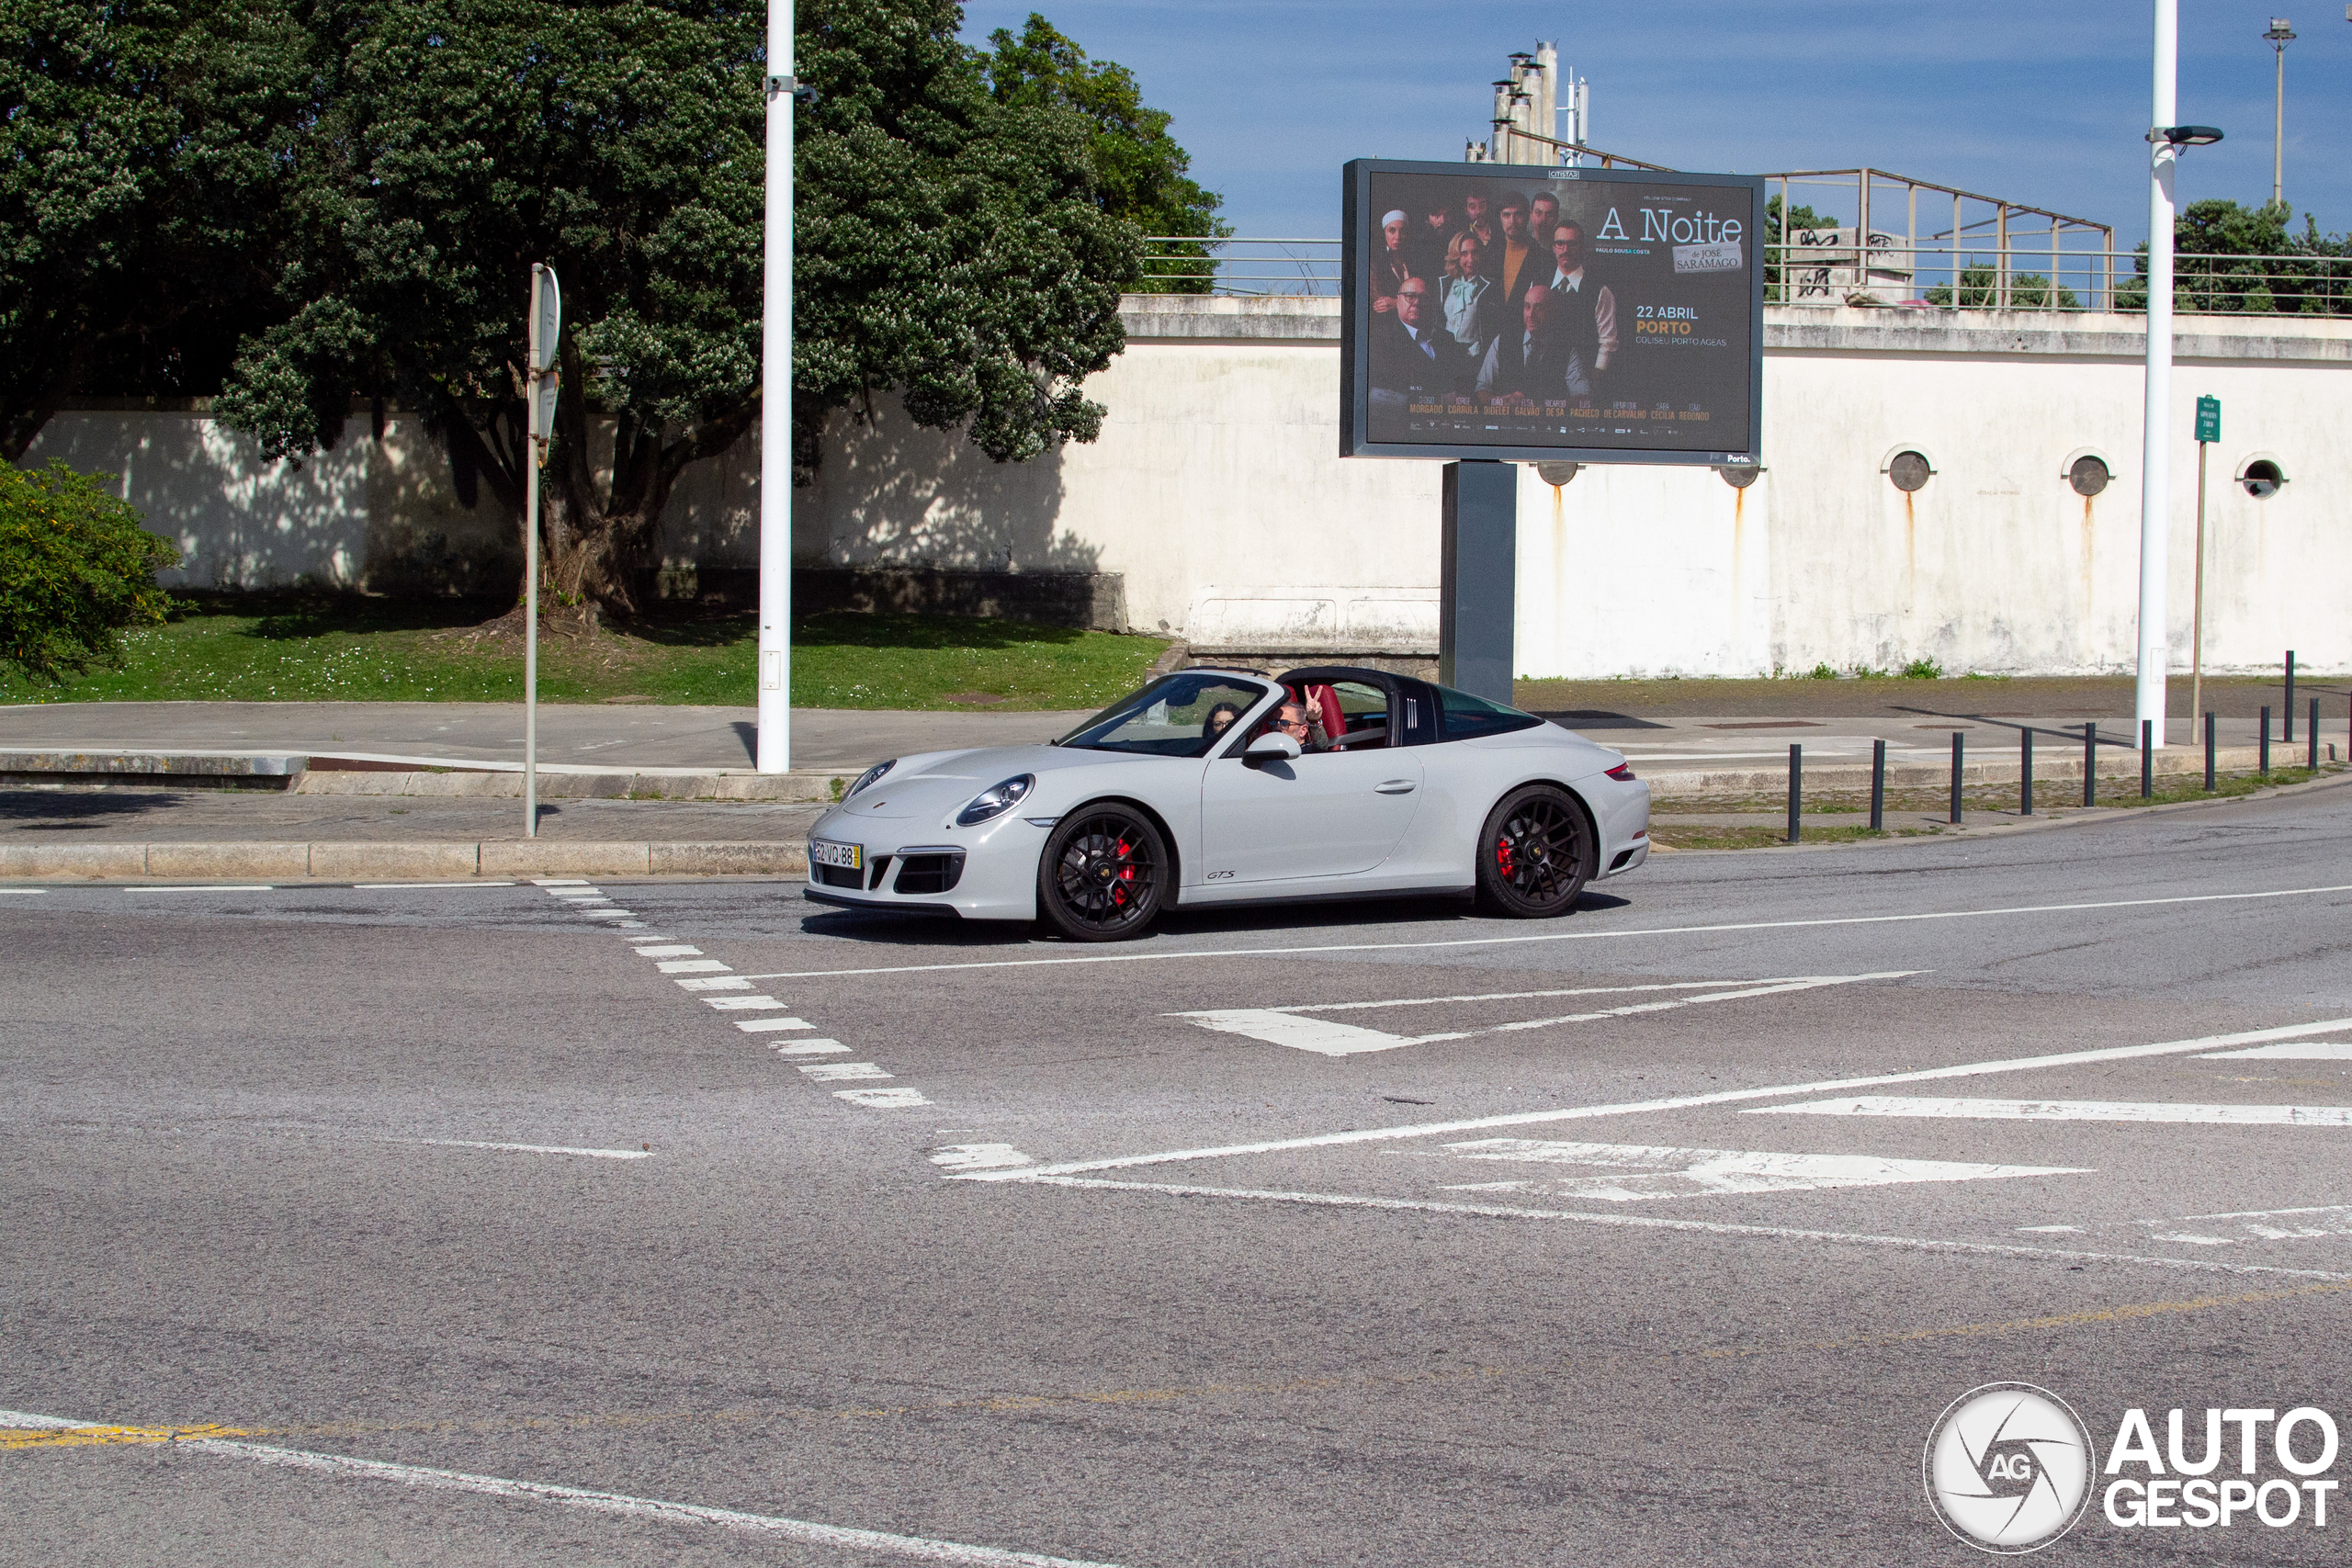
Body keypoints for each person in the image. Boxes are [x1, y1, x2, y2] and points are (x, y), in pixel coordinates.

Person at [1542, 220, 1618, 398]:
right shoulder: (1539, 283)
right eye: (1560, 243)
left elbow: (1607, 342)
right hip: (1543, 377)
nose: (1565, 249)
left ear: (1582, 247)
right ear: (1553, 247)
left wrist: (1595, 379)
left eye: (1572, 244)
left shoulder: (1599, 290)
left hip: (1583, 383)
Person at [1370, 276, 1470, 400]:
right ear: (1398, 301)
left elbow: (1462, 383)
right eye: (1410, 296)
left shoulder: (1446, 339)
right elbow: (1382, 394)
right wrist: (1440, 399)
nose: (1417, 302)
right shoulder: (1381, 339)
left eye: (1423, 298)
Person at [1476, 285, 1573, 403]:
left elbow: (1582, 397)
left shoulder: (1565, 348)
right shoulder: (1502, 341)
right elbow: (1481, 389)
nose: (1531, 315)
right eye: (1527, 307)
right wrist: (1500, 402)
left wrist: (1545, 407)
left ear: (1552, 311)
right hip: (1507, 419)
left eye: (1538, 308)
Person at [1440, 231, 1498, 358]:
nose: (1470, 259)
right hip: (1444, 352)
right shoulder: (1444, 284)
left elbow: (1492, 328)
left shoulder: (1490, 287)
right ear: (1456, 256)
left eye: (1475, 253)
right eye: (1464, 254)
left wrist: (1473, 351)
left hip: (1472, 355)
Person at [1494, 191, 1539, 310]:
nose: (1512, 221)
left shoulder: (1541, 257)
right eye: (1506, 215)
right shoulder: (1491, 252)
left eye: (1518, 214)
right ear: (1500, 217)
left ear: (1527, 216)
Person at [1369, 209, 1415, 314]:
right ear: (1384, 233)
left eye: (1402, 231)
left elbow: (1424, 298)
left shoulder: (1416, 261)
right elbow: (1380, 303)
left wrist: (1396, 303)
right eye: (1392, 231)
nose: (1397, 237)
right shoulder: (1375, 264)